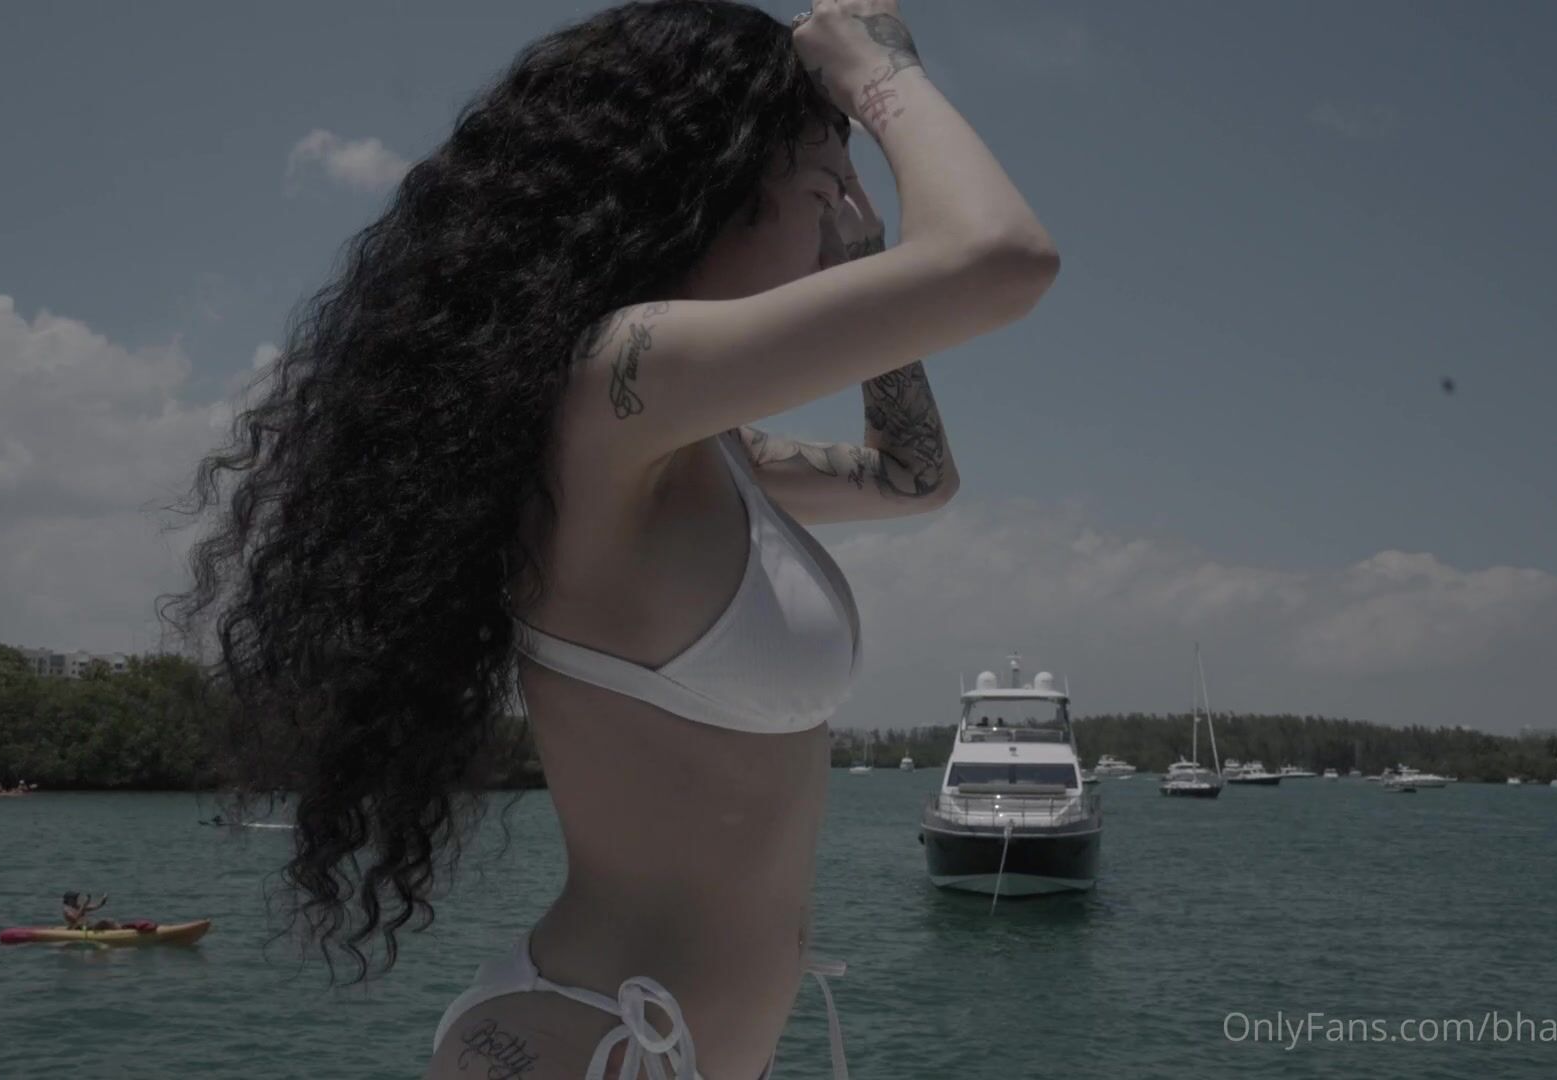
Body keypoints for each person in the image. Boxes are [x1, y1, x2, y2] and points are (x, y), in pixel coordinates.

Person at [159, 2, 1054, 1078]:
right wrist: (877, 68)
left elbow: (916, 480)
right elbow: (1000, 257)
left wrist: (861, 249)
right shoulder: (613, 379)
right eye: (822, 199)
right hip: (592, 1044)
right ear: (709, 187)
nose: (832, 251)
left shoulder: (689, 448)